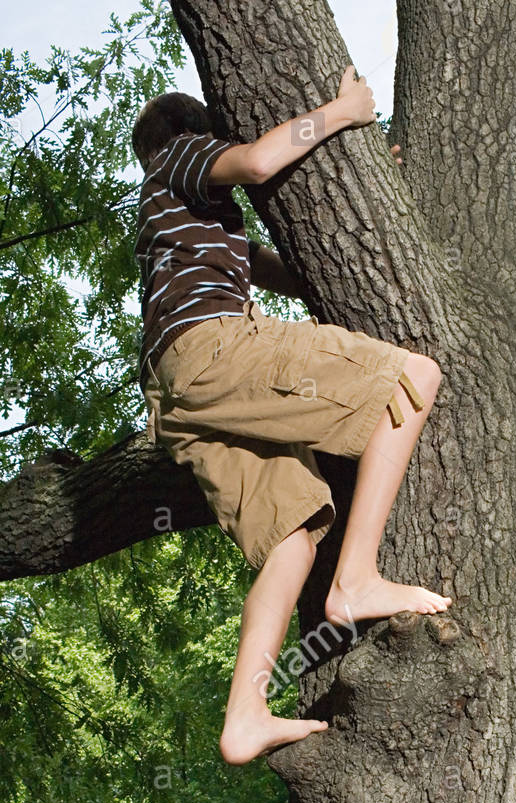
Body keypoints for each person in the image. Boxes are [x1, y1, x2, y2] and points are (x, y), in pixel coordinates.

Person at [132, 66, 450, 765]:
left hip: (180, 396)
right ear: (192, 135)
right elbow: (258, 160)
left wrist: (369, 181)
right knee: (413, 376)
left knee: (292, 538)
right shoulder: (177, 158)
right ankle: (358, 578)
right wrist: (341, 112)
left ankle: (245, 713)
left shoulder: (191, 233)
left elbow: (292, 269)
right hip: (211, 348)